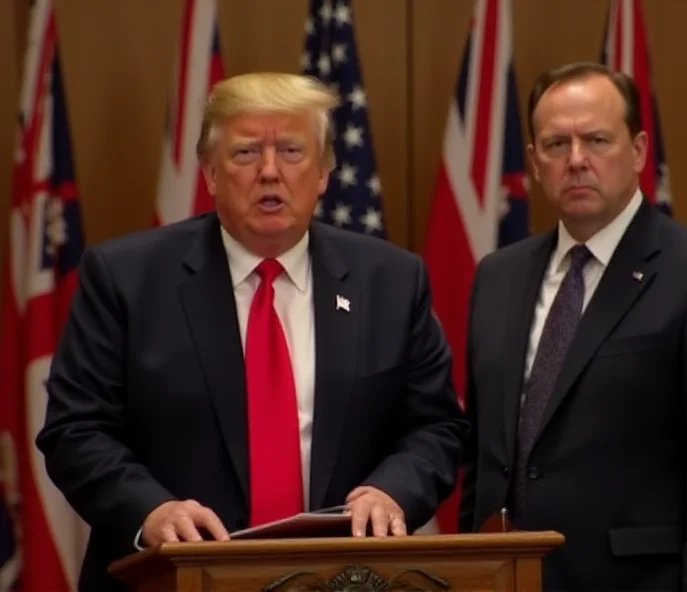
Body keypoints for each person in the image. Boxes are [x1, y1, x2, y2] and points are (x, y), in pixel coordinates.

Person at [37, 72, 467, 592]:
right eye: (245, 154)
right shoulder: (126, 278)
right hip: (175, 576)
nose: (270, 172)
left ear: (325, 172)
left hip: (343, 578)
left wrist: (393, 492)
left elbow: (437, 427)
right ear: (211, 173)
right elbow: (75, 429)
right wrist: (150, 512)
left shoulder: (392, 281)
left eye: (292, 151)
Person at [459, 62, 687, 591]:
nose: (577, 160)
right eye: (556, 144)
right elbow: (482, 458)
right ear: (534, 162)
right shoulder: (498, 275)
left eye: (597, 140)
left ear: (639, 151)